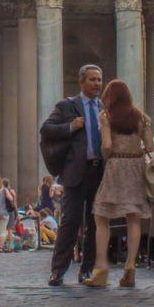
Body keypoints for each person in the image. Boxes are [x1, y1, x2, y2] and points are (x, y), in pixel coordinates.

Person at [83, 79, 154, 289]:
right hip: (136, 166)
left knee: (101, 216)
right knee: (134, 217)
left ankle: (101, 268)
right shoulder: (141, 117)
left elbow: (106, 145)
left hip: (116, 165)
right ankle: (130, 267)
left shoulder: (106, 116)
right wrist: (136, 151)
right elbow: (149, 145)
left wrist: (109, 155)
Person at [40, 64, 106, 286]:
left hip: (99, 171)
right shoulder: (67, 106)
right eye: (92, 80)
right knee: (70, 222)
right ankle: (58, 271)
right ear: (81, 81)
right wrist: (70, 126)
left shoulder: (104, 108)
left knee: (95, 224)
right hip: (76, 171)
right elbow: (46, 129)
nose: (97, 84)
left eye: (99, 80)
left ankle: (87, 270)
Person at [3, 178, 18, 252]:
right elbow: (14, 204)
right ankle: (9, 246)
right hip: (11, 211)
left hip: (4, 211)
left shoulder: (2, 191)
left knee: (3, 229)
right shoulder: (12, 191)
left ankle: (3, 245)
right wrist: (17, 214)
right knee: (10, 229)